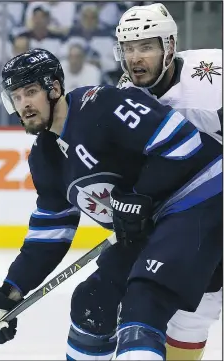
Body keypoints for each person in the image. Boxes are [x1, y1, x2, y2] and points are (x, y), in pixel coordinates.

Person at [0, 49, 222, 361]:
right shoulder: (44, 157)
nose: (24, 104)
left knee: (143, 299)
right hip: (148, 229)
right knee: (90, 303)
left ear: (54, 88)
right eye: (16, 97)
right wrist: (9, 293)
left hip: (198, 199)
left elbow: (183, 142)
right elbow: (50, 233)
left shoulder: (103, 105)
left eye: (31, 92)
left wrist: (139, 195)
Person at [114, 3, 223, 359]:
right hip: (202, 217)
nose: (135, 57)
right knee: (189, 317)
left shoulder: (214, 74)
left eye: (145, 45)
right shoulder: (126, 95)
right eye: (128, 48)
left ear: (170, 47)